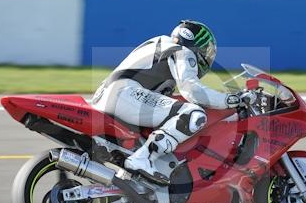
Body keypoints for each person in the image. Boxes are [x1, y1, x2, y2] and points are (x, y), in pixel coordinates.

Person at [91, 20, 255, 185]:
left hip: (112, 95)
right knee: (193, 115)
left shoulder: (162, 45)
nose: (207, 55)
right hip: (124, 94)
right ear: (194, 42)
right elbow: (192, 90)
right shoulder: (182, 51)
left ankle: (128, 182)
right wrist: (231, 99)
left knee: (171, 116)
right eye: (206, 49)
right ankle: (143, 158)